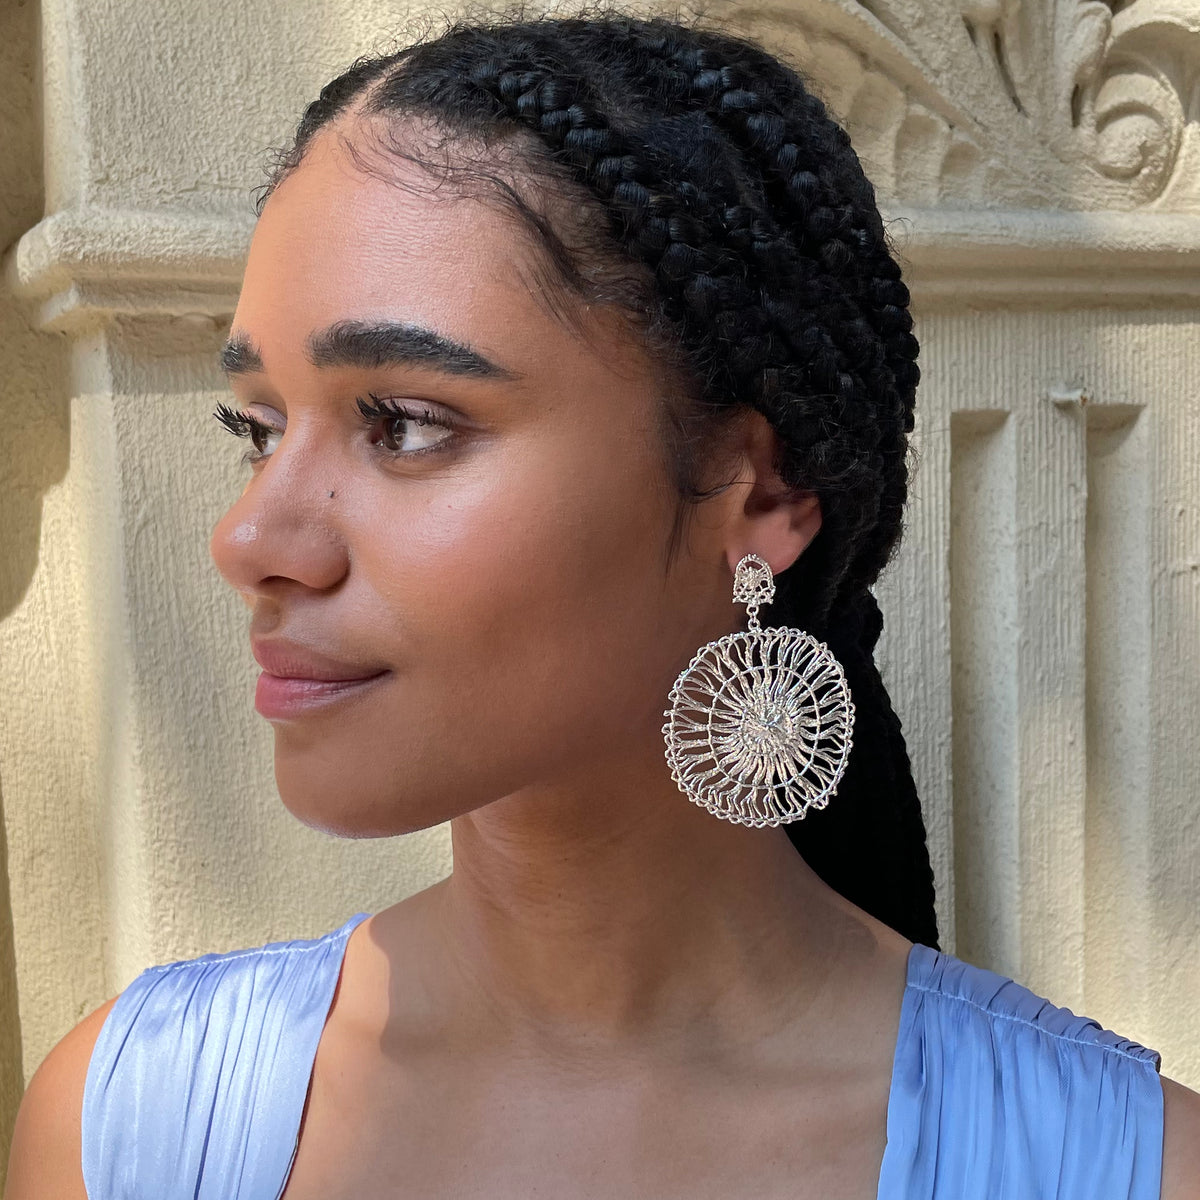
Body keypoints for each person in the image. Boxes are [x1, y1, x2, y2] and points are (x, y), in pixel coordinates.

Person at [6, 8, 1199, 1199]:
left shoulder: (1124, 1166)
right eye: (259, 428)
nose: (249, 539)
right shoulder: (133, 1121)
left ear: (762, 489)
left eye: (406, 425)